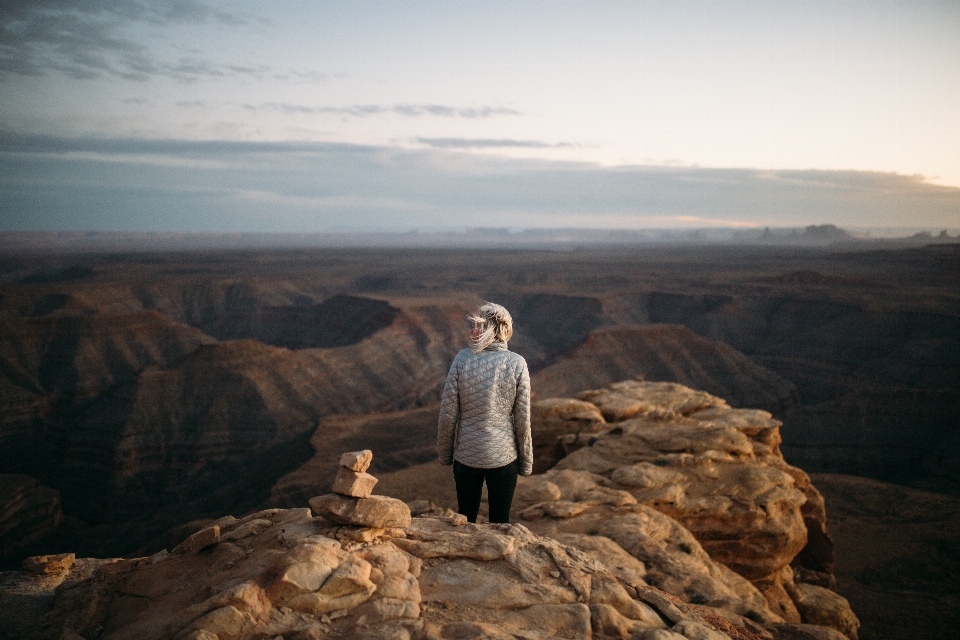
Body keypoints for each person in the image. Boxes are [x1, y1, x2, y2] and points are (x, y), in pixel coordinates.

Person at [437, 302, 532, 523]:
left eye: (478, 326)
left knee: (465, 521)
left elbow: (448, 413)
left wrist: (445, 454)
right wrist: (526, 463)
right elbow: (522, 419)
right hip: (503, 459)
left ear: (492, 329)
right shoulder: (517, 363)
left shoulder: (463, 359)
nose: (471, 331)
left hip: (466, 459)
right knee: (500, 523)